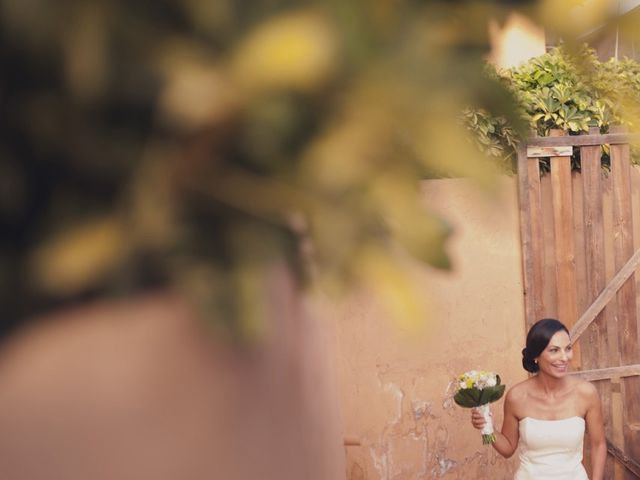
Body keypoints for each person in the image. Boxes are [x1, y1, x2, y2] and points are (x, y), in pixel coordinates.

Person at [471, 318, 606, 480]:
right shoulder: (517, 396)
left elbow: (599, 445)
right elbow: (507, 450)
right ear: (536, 355)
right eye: (554, 350)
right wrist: (487, 430)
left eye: (568, 348)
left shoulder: (586, 393)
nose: (564, 358)